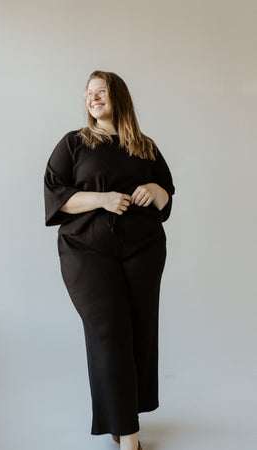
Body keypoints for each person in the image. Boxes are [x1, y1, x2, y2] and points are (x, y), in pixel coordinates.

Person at [43, 70, 175, 450]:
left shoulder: (144, 146)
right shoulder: (75, 143)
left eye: (100, 91)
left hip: (143, 250)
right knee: (108, 331)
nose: (92, 98)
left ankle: (124, 417)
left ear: (118, 96)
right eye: (88, 93)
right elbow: (56, 195)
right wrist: (103, 199)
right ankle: (130, 438)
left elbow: (167, 195)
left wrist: (155, 189)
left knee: (137, 329)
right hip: (86, 250)